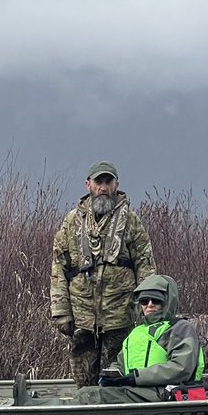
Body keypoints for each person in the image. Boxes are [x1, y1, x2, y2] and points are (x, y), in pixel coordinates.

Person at [51, 159, 156, 387]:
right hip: (82, 315)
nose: (103, 187)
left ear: (116, 184)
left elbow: (145, 264)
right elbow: (59, 267)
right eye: (99, 182)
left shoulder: (130, 221)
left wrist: (149, 305)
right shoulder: (72, 222)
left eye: (108, 181)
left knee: (117, 376)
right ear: (88, 184)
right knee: (83, 377)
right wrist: (61, 311)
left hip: (119, 314)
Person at [76, 274, 203, 404]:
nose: (149, 305)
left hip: (166, 392)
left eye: (156, 300)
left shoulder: (180, 328)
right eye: (144, 301)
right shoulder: (137, 331)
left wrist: (136, 377)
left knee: (92, 396)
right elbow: (121, 363)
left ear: (167, 301)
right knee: (85, 392)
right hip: (138, 391)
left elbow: (181, 368)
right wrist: (110, 376)